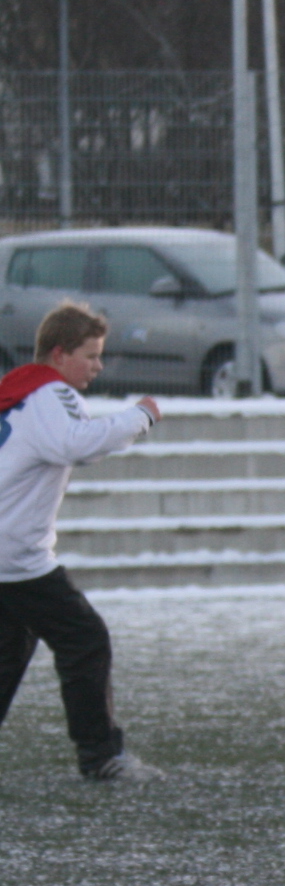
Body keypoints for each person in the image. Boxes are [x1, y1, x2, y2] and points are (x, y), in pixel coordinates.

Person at [0, 301, 162, 780]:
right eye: (90, 355)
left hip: (6, 548)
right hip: (15, 554)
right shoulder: (50, 392)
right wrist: (141, 416)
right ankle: (101, 756)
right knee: (85, 639)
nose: (98, 366)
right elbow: (78, 442)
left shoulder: (19, 392)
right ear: (59, 354)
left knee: (10, 649)